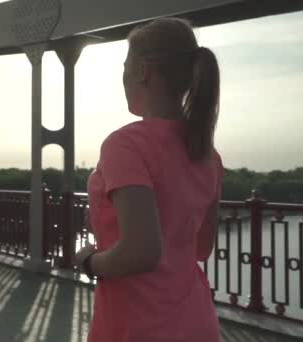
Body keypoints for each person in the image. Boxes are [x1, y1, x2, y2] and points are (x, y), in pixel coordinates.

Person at [74, 17, 224, 342]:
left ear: (142, 71)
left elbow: (141, 252)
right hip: (198, 323)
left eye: (125, 66)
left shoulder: (125, 145)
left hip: (139, 326)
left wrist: (89, 262)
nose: (124, 76)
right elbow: (201, 248)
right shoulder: (208, 155)